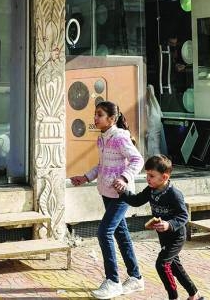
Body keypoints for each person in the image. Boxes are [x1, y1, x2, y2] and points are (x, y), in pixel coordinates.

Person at [70, 101, 145, 299]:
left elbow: (138, 160)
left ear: (111, 119)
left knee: (104, 232)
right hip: (107, 193)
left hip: (121, 194)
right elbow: (102, 165)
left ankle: (113, 282)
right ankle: (136, 278)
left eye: (100, 115)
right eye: (95, 114)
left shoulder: (119, 137)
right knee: (122, 234)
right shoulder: (102, 138)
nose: (95, 118)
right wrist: (85, 177)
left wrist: (124, 178)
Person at [119, 155, 204, 300]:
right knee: (175, 266)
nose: (148, 178)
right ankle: (194, 294)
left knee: (162, 264)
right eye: (147, 175)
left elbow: (183, 216)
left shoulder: (174, 194)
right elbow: (137, 200)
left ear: (164, 177)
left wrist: (169, 224)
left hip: (177, 236)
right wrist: (122, 191)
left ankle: (173, 296)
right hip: (164, 236)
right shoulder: (151, 190)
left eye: (151, 175)